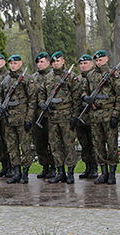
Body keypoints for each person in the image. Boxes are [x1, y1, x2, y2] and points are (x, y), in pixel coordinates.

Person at [83, 50, 120, 184]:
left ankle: (112, 173)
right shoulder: (90, 75)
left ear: (106, 59)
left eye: (101, 60)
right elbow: (84, 89)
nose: (98, 62)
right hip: (95, 116)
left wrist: (116, 115)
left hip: (109, 114)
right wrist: (86, 97)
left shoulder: (113, 75)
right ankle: (103, 172)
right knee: (98, 145)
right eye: (96, 60)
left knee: (111, 145)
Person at [39, 51, 80, 184]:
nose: (56, 64)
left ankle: (70, 172)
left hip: (66, 116)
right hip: (52, 117)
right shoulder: (48, 77)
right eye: (54, 62)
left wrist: (74, 116)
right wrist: (42, 104)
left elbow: (77, 97)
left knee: (69, 145)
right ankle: (60, 172)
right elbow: (41, 93)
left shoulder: (71, 76)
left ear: (63, 61)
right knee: (55, 146)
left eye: (58, 61)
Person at [0, 54, 35, 184]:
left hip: (22, 117)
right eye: (11, 64)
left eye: (15, 63)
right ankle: (16, 172)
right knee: (12, 147)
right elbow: (0, 96)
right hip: (9, 118)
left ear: (20, 63)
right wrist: (0, 106)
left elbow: (32, 100)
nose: (12, 66)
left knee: (25, 147)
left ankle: (25, 173)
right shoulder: (5, 80)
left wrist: (29, 119)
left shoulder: (26, 79)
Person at [32, 52, 55, 179]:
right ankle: (44, 166)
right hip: (37, 114)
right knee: (39, 143)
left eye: (42, 62)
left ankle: (53, 167)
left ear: (48, 63)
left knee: (52, 142)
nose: (40, 65)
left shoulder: (53, 76)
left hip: (50, 115)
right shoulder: (34, 78)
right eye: (38, 62)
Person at [76, 54, 98, 179]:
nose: (83, 66)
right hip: (80, 115)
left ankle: (94, 167)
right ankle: (87, 166)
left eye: (85, 63)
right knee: (84, 143)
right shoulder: (77, 79)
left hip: (92, 116)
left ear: (92, 64)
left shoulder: (95, 78)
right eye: (81, 64)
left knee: (93, 142)